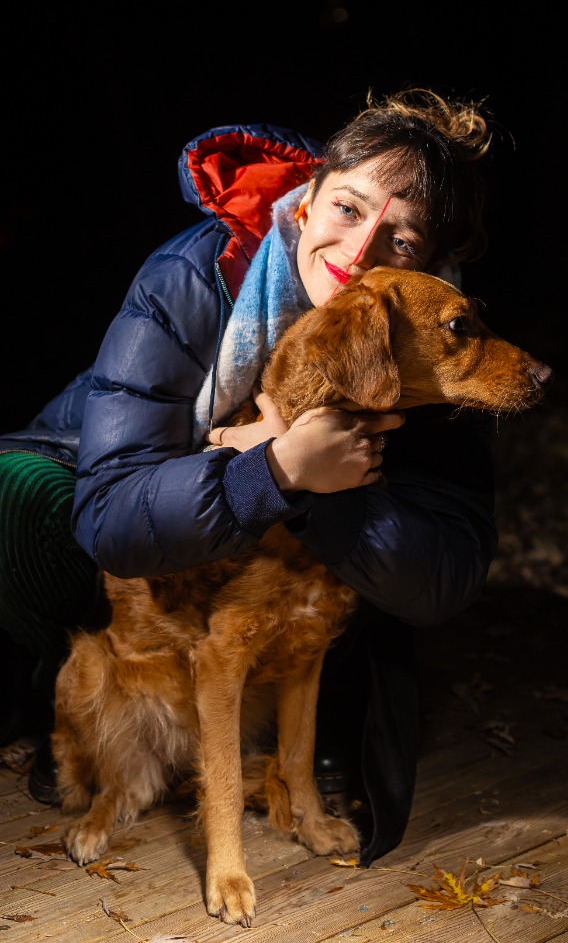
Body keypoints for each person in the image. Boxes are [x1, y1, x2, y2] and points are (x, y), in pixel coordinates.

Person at [0, 87, 497, 865]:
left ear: (430, 265)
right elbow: (112, 512)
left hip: (264, 545)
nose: (359, 249)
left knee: (338, 573)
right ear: (306, 202)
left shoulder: (437, 333)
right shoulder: (193, 275)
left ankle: (305, 739)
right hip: (113, 472)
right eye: (347, 208)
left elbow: (445, 571)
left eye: (399, 239)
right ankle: (57, 705)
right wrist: (267, 465)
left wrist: (312, 481)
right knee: (25, 502)